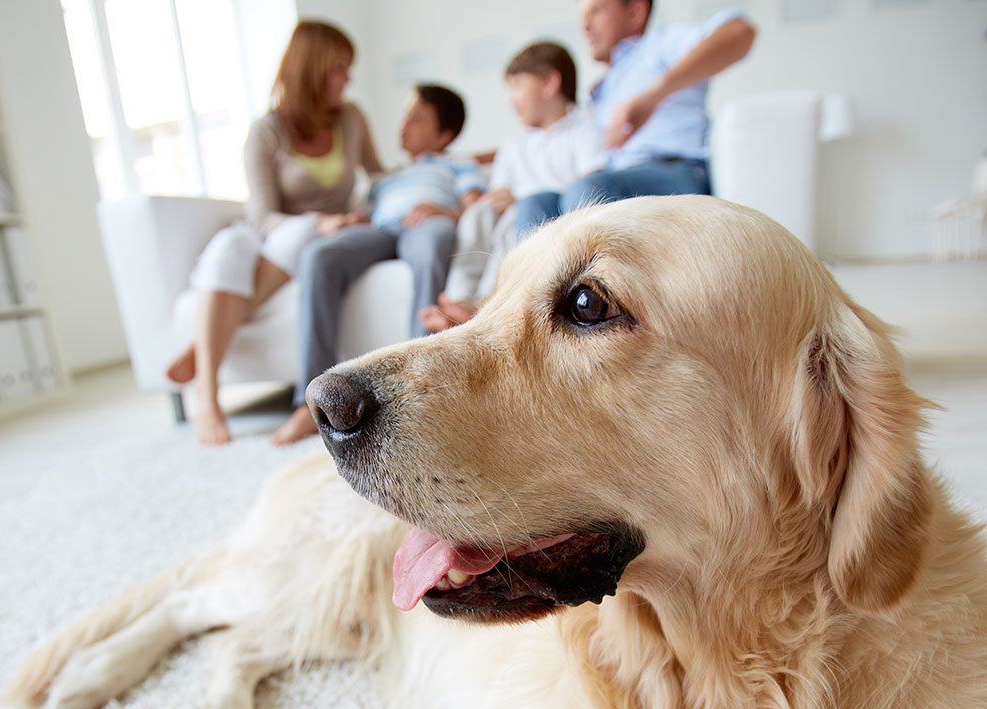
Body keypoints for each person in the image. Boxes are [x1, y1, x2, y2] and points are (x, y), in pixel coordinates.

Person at [164, 20, 384, 445]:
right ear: (313, 69)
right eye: (339, 67)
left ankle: (201, 348)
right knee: (228, 244)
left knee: (305, 238)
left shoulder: (351, 119)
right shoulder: (267, 131)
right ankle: (207, 396)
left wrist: (438, 165)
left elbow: (379, 176)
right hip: (276, 233)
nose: (347, 78)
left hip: (320, 238)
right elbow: (262, 215)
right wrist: (319, 221)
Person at [271, 84, 485, 444]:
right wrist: (355, 220)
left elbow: (476, 203)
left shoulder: (458, 164)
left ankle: (419, 389)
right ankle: (307, 404)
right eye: (405, 115)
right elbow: (368, 213)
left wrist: (445, 211)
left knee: (434, 241)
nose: (404, 124)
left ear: (443, 134)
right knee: (319, 255)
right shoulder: (386, 179)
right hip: (381, 229)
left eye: (417, 118)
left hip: (426, 223)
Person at [514, 0, 756, 235]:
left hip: (677, 172)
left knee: (588, 191)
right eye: (583, 14)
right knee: (534, 205)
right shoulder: (602, 89)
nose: (584, 26)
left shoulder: (656, 47)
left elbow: (739, 32)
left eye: (597, 10)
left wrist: (652, 96)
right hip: (614, 181)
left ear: (636, 12)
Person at [418, 41, 606, 333]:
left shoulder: (584, 129)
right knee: (478, 216)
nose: (511, 99)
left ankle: (486, 303)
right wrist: (493, 199)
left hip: (541, 215)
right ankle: (457, 299)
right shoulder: (515, 144)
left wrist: (516, 199)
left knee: (511, 221)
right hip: (507, 210)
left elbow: (590, 187)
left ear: (549, 83)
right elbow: (498, 192)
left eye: (518, 86)